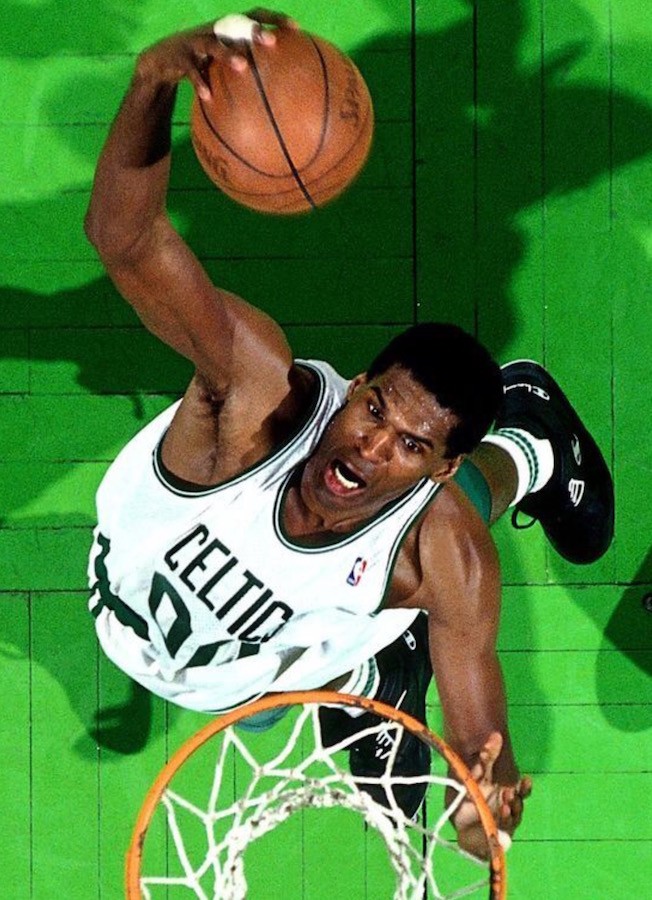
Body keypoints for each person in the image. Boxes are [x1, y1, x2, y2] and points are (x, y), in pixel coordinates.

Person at [84, 11, 613, 856]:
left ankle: (530, 442)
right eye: (375, 411)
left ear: (440, 466)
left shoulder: (449, 556)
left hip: (281, 638)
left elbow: (484, 760)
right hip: (183, 633)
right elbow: (126, 239)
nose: (371, 445)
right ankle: (368, 665)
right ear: (359, 384)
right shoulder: (251, 399)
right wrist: (150, 82)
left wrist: (484, 811)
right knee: (279, 688)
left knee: (408, 562)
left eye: (411, 445)